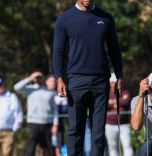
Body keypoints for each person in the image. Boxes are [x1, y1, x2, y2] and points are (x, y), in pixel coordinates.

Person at [52, 0, 123, 155]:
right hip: (76, 80)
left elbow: (114, 50)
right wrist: (59, 78)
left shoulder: (106, 18)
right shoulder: (64, 19)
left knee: (98, 131)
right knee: (75, 130)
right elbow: (58, 51)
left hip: (101, 81)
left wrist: (119, 76)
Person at [14, 71, 59, 156]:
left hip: (48, 123)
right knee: (31, 146)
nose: (38, 79)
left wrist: (55, 124)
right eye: (37, 77)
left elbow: (55, 109)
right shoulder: (30, 89)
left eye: (40, 77)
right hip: (34, 123)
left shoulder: (50, 91)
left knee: (49, 147)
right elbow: (16, 87)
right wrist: (30, 78)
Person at [106, 73, 133, 156]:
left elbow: (126, 101)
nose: (114, 84)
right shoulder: (106, 94)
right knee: (113, 149)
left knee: (127, 147)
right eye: (112, 82)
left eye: (115, 82)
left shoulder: (125, 92)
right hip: (110, 125)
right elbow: (105, 104)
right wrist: (118, 102)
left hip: (124, 124)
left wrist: (112, 103)